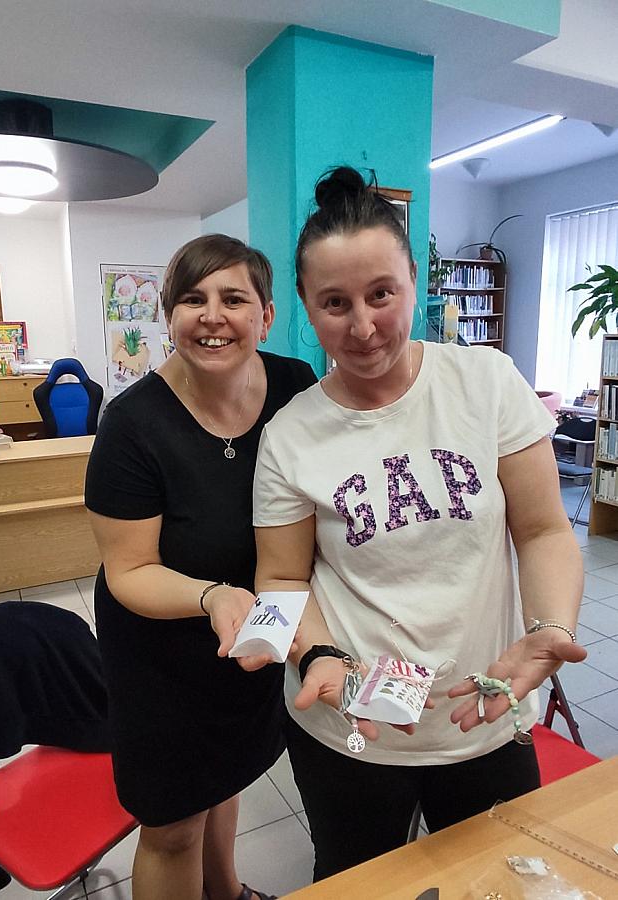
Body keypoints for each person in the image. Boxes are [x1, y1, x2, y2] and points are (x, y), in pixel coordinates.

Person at [251, 167, 587, 881]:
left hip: (485, 709)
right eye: (334, 303)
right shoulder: (290, 434)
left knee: (501, 882)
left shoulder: (485, 383)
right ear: (306, 308)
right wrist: (316, 655)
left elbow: (542, 531)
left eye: (381, 294)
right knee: (359, 881)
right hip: (349, 723)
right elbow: (279, 576)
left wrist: (548, 628)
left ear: (414, 282)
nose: (362, 326)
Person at [85, 234, 316, 900]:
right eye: (192, 299)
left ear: (266, 315)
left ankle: (227, 891)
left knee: (226, 779)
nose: (212, 316)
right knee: (173, 826)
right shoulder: (132, 424)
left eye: (233, 299)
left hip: (250, 631)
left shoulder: (295, 386)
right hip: (161, 650)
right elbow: (129, 570)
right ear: (169, 316)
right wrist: (213, 596)